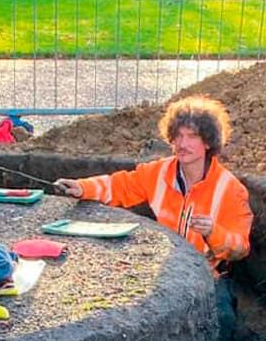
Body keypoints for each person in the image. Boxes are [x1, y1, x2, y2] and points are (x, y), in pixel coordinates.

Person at [52, 96, 252, 276]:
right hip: (166, 269)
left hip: (208, 277)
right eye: (178, 136)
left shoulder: (230, 189)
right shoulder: (158, 173)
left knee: (222, 317)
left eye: (192, 136)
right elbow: (120, 185)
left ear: (208, 142)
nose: (183, 144)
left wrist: (212, 232)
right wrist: (82, 188)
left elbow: (240, 248)